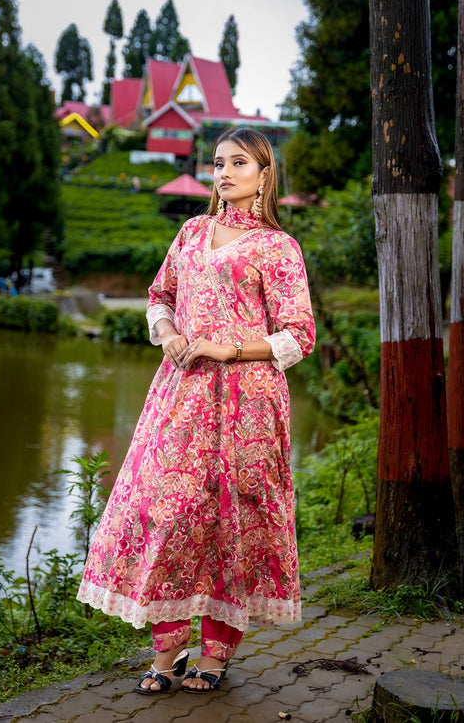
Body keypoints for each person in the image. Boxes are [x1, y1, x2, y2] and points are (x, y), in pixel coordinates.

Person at [77, 128, 315, 695]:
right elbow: (158, 296)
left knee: (229, 523)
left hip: (247, 403)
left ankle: (215, 654)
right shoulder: (190, 233)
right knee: (168, 509)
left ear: (264, 173)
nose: (224, 173)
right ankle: (166, 652)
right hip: (181, 395)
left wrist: (226, 347)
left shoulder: (277, 248)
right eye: (217, 163)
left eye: (238, 163)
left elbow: (298, 337)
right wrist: (167, 333)